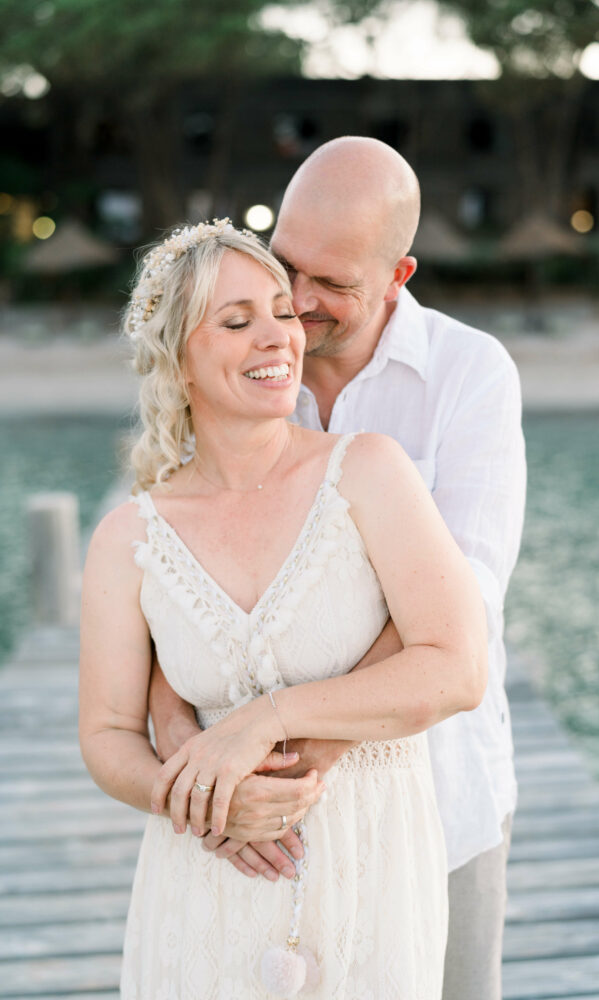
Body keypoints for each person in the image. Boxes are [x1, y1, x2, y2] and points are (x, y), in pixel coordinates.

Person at [149, 138, 527, 999]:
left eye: (335, 284)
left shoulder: (469, 376)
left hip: (435, 797)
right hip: (241, 821)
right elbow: (155, 565)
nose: (298, 301)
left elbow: (461, 601)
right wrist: (184, 745)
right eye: (287, 264)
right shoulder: (230, 358)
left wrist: (288, 746)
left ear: (398, 274)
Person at [79, 217, 488, 998]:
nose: (279, 336)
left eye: (281, 310)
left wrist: (265, 720)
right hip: (199, 883)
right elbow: (106, 736)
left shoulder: (368, 472)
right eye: (237, 321)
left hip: (368, 869)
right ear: (178, 360)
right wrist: (201, 806)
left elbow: (456, 667)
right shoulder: (129, 536)